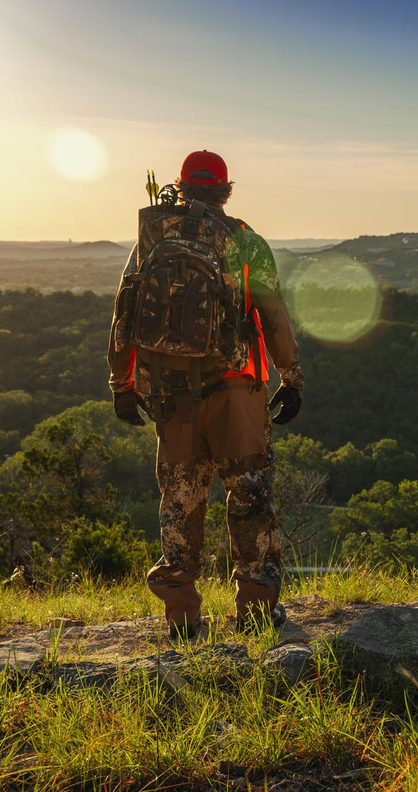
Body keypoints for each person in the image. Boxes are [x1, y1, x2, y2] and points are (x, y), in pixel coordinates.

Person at [107, 150, 304, 639]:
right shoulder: (245, 240)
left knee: (180, 504)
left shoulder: (152, 238)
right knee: (250, 498)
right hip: (236, 390)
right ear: (225, 191)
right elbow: (273, 315)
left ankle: (182, 619)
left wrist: (122, 384)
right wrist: (291, 377)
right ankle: (255, 615)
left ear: (180, 186)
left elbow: (124, 314)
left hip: (171, 393)